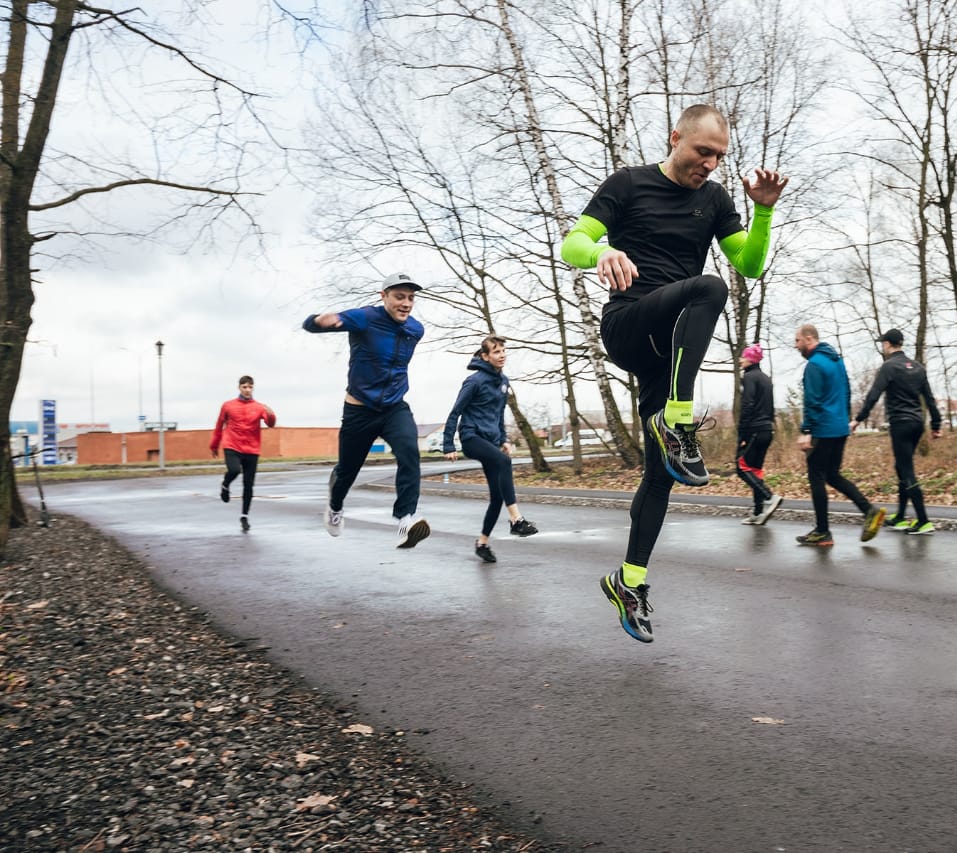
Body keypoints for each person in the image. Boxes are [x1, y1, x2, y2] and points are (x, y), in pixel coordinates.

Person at [559, 103, 787, 643]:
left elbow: (750, 264)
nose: (709, 163)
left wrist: (763, 213)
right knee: (709, 287)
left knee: (661, 474)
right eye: (701, 151)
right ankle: (677, 420)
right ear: (675, 138)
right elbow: (572, 244)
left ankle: (629, 581)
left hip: (671, 351)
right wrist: (602, 251)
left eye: (718, 156)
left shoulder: (715, 200)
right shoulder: (628, 185)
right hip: (629, 326)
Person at [303, 272, 432, 549]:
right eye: (399, 297)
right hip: (359, 411)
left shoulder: (415, 329)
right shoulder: (365, 318)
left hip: (394, 408)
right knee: (347, 471)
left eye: (411, 298)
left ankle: (406, 519)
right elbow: (312, 325)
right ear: (383, 296)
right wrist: (319, 321)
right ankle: (335, 508)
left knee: (409, 452)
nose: (406, 303)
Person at [442, 335, 539, 563]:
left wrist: (503, 438)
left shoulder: (504, 381)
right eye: (496, 351)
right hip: (471, 437)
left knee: (497, 497)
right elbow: (456, 411)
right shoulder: (474, 381)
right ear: (485, 356)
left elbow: (499, 413)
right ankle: (517, 520)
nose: (502, 354)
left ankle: (482, 543)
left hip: (491, 441)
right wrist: (448, 444)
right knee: (505, 463)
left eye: (503, 350)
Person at [793, 324, 886, 547]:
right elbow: (846, 392)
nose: (795, 346)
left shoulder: (814, 365)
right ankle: (868, 510)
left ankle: (823, 532)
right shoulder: (837, 361)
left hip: (822, 429)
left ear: (809, 339)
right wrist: (845, 420)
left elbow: (812, 401)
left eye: (797, 341)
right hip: (839, 427)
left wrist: (806, 430)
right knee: (832, 475)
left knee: (816, 476)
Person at [853, 329, 943, 535]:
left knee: (906, 470)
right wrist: (936, 424)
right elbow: (929, 399)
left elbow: (873, 395)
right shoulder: (918, 368)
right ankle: (901, 517)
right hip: (917, 423)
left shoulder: (889, 367)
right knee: (901, 467)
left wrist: (858, 419)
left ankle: (923, 520)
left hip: (900, 424)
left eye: (883, 343)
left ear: (887, 344)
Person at [209, 375, 276, 532]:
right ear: (239, 388)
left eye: (250, 387)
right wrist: (214, 445)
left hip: (252, 449)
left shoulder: (259, 407)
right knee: (234, 470)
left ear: (253, 388)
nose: (247, 390)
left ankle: (244, 516)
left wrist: (271, 414)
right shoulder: (228, 406)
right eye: (244, 387)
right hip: (232, 445)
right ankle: (225, 485)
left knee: (248, 484)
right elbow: (219, 426)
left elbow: (270, 424)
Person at [736, 343, 782, 525]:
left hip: (753, 430)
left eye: (743, 357)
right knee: (755, 470)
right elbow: (770, 407)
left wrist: (742, 433)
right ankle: (758, 512)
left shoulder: (749, 377)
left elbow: (747, 405)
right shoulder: (766, 378)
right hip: (767, 430)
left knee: (740, 468)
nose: (740, 360)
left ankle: (769, 496)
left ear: (750, 359)